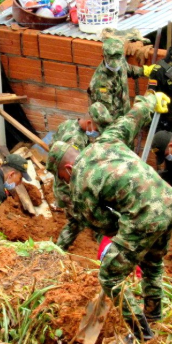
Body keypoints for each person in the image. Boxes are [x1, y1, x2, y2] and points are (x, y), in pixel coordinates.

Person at [48, 92, 172, 339]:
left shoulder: (80, 184)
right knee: (152, 262)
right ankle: (153, 314)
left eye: (63, 177)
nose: (65, 182)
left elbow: (105, 225)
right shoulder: (107, 140)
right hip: (170, 202)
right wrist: (150, 100)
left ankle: (141, 333)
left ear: (68, 168)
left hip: (144, 216)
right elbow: (133, 117)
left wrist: (124, 233)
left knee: (110, 275)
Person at [49, 104, 109, 251]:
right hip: (67, 187)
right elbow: (72, 169)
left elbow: (53, 146)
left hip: (65, 183)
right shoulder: (75, 140)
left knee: (85, 217)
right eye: (96, 129)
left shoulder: (68, 124)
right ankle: (58, 251)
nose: (96, 133)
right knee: (80, 220)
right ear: (89, 123)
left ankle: (100, 239)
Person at [88, 37, 153, 122]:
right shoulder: (101, 84)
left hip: (124, 116)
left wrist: (145, 71)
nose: (115, 65)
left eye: (118, 60)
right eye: (112, 62)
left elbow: (127, 69)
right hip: (113, 125)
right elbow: (105, 118)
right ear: (103, 56)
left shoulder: (120, 60)